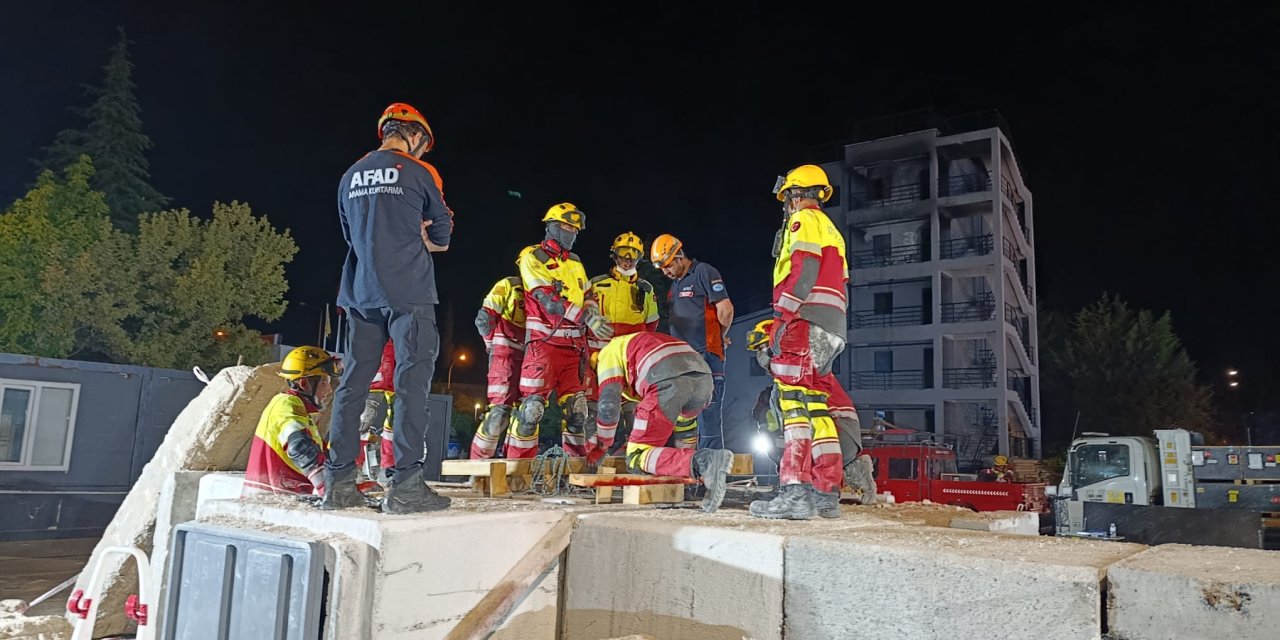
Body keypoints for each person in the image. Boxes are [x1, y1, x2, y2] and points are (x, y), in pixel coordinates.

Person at [327, 102, 454, 514]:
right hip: (409, 292)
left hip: (360, 292)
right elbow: (443, 235)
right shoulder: (420, 173)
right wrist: (419, 237)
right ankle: (405, 487)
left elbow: (351, 235)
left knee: (352, 388)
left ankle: (338, 484)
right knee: (410, 386)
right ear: (414, 135)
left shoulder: (349, 176)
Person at [749, 164, 849, 520]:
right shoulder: (832, 229)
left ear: (795, 194)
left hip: (805, 321)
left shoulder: (803, 221)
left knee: (791, 404)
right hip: (832, 328)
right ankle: (826, 493)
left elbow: (804, 268)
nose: (787, 203)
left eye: (788, 196)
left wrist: (782, 319)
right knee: (818, 409)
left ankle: (794, 493)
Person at [507, 203, 613, 459]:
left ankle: (574, 471)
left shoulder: (576, 263)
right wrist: (585, 316)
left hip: (574, 350)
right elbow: (547, 299)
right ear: (551, 227)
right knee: (531, 411)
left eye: (575, 229)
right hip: (543, 345)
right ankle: (516, 469)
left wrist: (592, 311)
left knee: (578, 412)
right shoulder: (533, 257)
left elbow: (587, 294)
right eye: (566, 227)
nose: (571, 233)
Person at [592, 331, 734, 512]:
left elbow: (608, 406)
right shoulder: (640, 343)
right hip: (703, 378)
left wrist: (602, 446)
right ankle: (695, 477)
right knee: (684, 425)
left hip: (666, 379)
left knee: (636, 456)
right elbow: (685, 434)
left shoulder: (607, 354)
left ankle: (704, 461)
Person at [746, 320, 876, 508]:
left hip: (834, 434)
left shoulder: (790, 378)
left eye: (763, 348)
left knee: (780, 430)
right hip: (847, 437)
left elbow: (792, 430)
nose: (761, 356)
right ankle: (849, 471)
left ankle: (796, 487)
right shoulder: (811, 366)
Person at [649, 234, 733, 450]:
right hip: (683, 362)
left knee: (709, 414)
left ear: (679, 256)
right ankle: (687, 470)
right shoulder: (675, 285)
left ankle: (711, 473)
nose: (665, 272)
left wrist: (720, 336)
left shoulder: (704, 272)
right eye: (662, 269)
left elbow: (725, 310)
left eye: (668, 266)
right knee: (684, 418)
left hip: (706, 356)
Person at [586, 232, 659, 450]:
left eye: (633, 255)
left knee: (634, 409)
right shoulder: (597, 284)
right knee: (592, 408)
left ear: (639, 258)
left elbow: (651, 326)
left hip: (629, 359)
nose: (627, 259)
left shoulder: (646, 290)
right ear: (614, 255)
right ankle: (590, 455)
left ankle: (634, 454)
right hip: (598, 358)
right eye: (623, 254)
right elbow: (583, 317)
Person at [243, 347, 339, 497]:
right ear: (304, 383)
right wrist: (326, 486)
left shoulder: (300, 411)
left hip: (282, 498)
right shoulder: (287, 403)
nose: (329, 390)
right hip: (272, 501)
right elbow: (299, 447)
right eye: (324, 382)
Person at [470, 276, 527, 459]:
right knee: (499, 414)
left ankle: (517, 469)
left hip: (533, 357)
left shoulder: (554, 289)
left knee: (528, 414)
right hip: (507, 354)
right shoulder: (510, 285)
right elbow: (484, 320)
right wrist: (491, 345)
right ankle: (477, 468)